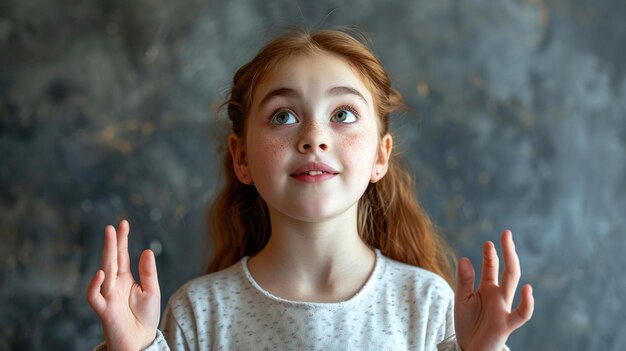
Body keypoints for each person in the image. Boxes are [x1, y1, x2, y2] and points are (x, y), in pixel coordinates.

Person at [86, 28, 534, 350]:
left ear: (381, 155)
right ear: (241, 157)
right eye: (283, 116)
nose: (314, 137)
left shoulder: (428, 304)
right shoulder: (200, 313)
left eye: (342, 115)